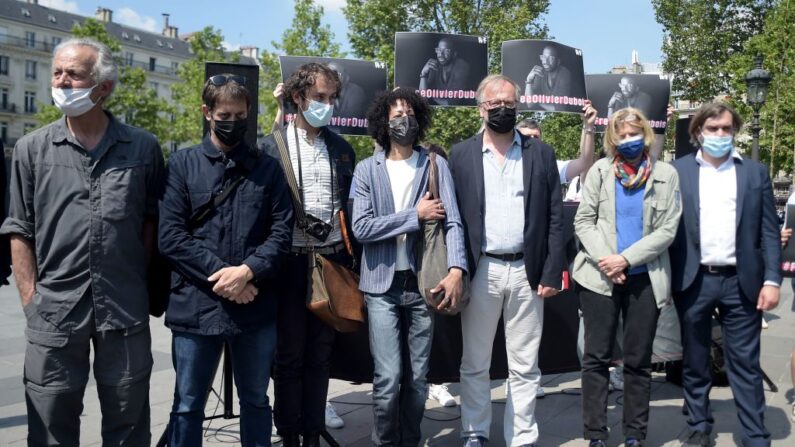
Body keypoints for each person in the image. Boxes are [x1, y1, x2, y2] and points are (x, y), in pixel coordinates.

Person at [0, 38, 164, 446]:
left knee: (128, 429)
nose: (61, 81)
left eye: (73, 74)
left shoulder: (143, 148)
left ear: (103, 86)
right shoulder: (30, 149)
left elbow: (151, 224)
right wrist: (31, 301)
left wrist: (138, 285)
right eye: (57, 72)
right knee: (50, 424)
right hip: (54, 314)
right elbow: (19, 230)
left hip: (123, 311)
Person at [159, 74, 293, 446]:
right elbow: (170, 237)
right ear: (207, 112)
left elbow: (282, 233)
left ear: (249, 112)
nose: (232, 121)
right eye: (223, 113)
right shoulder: (183, 164)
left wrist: (248, 271)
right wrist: (228, 278)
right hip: (197, 308)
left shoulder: (268, 168)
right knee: (187, 405)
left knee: (255, 400)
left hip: (255, 306)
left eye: (239, 113)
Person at [450, 74, 563, 447]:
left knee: (525, 364)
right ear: (481, 108)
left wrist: (551, 270)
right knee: (475, 361)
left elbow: (554, 217)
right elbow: (454, 219)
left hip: (527, 271)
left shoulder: (540, 153)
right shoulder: (461, 155)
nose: (503, 110)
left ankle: (522, 437)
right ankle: (475, 432)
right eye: (495, 104)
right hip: (482, 269)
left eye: (510, 104)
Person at [353, 87, 467, 446]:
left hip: (424, 282)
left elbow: (454, 223)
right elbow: (361, 227)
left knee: (418, 379)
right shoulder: (366, 170)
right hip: (381, 286)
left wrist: (456, 270)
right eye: (397, 116)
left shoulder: (435, 164)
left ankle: (411, 439)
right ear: (384, 124)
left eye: (410, 114)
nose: (406, 121)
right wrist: (412, 216)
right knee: (387, 377)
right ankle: (386, 441)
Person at [669, 102, 780, 447]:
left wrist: (773, 279)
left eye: (726, 129)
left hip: (741, 281)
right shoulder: (677, 171)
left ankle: (754, 433)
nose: (720, 135)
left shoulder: (754, 173)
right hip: (693, 279)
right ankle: (699, 426)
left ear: (735, 131)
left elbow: (768, 232)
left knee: (745, 363)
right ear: (698, 131)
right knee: (695, 361)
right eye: (713, 128)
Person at [259, 62, 357, 447]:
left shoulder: (341, 148)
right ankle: (289, 435)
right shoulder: (272, 146)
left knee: (321, 354)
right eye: (319, 97)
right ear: (298, 97)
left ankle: (314, 430)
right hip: (288, 263)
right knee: (288, 357)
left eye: (332, 98)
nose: (327, 105)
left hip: (330, 260)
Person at [572, 108, 682, 447]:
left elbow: (668, 229)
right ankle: (595, 433)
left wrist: (626, 259)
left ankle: (635, 433)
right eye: (622, 135)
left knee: (638, 361)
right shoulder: (600, 173)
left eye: (635, 133)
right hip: (599, 278)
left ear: (646, 135)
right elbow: (583, 221)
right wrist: (609, 261)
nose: (629, 140)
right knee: (596, 358)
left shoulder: (665, 173)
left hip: (644, 277)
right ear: (612, 138)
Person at [419, 37, 471, 105]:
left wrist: (430, 96)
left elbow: (450, 103)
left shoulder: (462, 66)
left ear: (454, 54)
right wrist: (424, 73)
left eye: (446, 51)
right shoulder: (435, 65)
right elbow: (422, 97)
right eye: (438, 50)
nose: (440, 54)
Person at [524, 45, 572, 111]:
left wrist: (537, 101)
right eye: (543, 57)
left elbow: (559, 109)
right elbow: (530, 103)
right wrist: (529, 80)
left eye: (550, 58)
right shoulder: (540, 72)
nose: (545, 62)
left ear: (558, 61)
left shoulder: (564, 73)